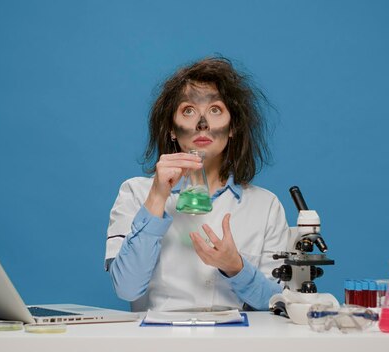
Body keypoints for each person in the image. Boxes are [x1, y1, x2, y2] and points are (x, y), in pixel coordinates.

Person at [105, 57, 289, 312]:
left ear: (233, 127)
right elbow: (126, 287)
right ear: (172, 128)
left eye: (215, 109)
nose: (202, 124)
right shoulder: (136, 193)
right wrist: (157, 198)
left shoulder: (266, 205)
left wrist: (235, 266)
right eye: (188, 110)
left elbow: (276, 303)